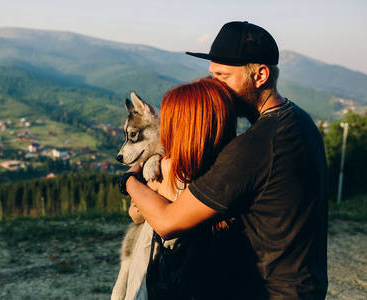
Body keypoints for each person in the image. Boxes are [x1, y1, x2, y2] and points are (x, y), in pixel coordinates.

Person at [119, 21, 328, 299]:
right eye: (212, 74)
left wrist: (128, 180)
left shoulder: (256, 145)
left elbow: (169, 223)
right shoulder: (297, 119)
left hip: (268, 291)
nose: (214, 85)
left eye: (223, 76)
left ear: (260, 75)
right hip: (302, 285)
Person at [124, 77, 239, 299]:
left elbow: (138, 215)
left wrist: (129, 181)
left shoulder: (170, 169)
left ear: (188, 127)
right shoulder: (231, 167)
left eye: (171, 120)